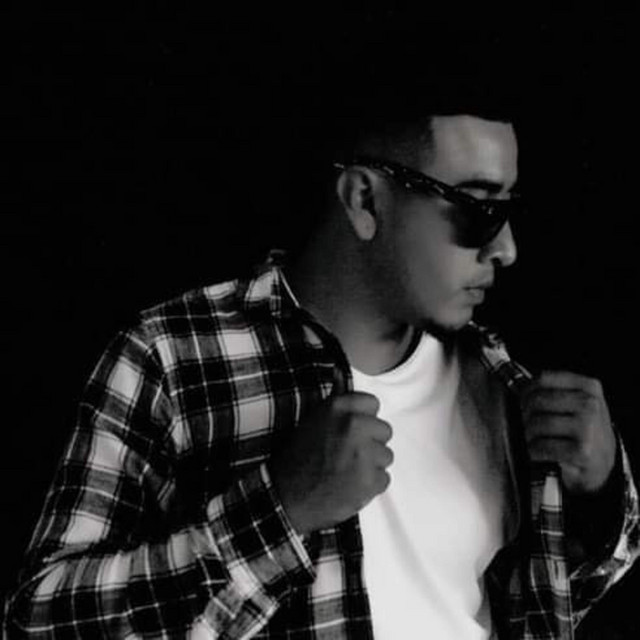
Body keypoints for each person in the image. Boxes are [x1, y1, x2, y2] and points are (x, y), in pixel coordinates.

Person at [4, 57, 640, 639]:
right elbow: (37, 623)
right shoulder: (172, 357)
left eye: (510, 208)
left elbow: (552, 598)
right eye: (477, 209)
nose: (506, 249)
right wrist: (279, 511)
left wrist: (601, 497)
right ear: (364, 200)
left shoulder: (501, 384)